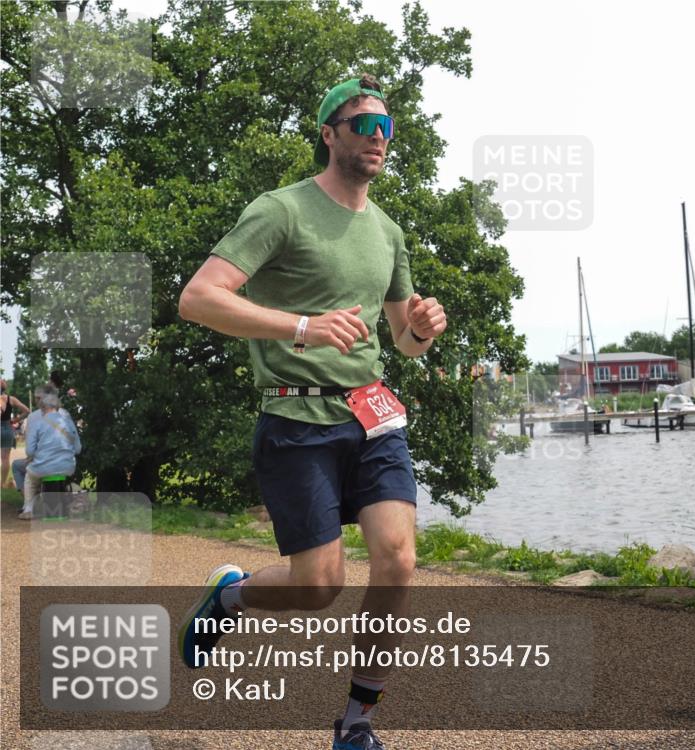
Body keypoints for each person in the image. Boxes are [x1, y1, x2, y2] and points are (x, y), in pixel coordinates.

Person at [178, 74, 447, 750]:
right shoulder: (282, 210)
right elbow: (199, 299)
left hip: (373, 416)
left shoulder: (388, 232)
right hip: (296, 420)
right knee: (319, 587)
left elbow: (403, 342)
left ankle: (356, 723)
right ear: (329, 134)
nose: (378, 137)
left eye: (386, 127)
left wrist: (421, 330)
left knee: (398, 561)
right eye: (363, 124)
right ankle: (230, 596)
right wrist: (301, 327)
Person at [14, 384, 82, 520]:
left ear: (42, 401)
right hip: (68, 466)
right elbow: (78, 448)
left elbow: (29, 451)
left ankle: (28, 509)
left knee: (30, 476)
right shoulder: (65, 415)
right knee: (46, 469)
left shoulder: (34, 418)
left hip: (44, 465)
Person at [1, 378, 31, 489]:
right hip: (7, 429)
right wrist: (15, 420)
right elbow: (27, 411)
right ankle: (2, 483)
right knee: (5, 459)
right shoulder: (11, 399)